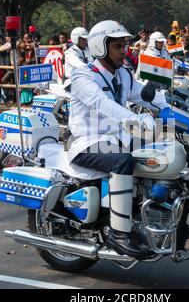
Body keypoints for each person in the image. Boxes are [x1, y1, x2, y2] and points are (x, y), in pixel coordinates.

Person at [69, 20, 169, 258]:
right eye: (117, 46)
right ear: (100, 47)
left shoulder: (123, 74)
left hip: (118, 139)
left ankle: (146, 216)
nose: (124, 51)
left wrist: (176, 106)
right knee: (122, 160)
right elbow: (102, 104)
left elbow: (146, 96)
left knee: (161, 151)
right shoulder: (84, 76)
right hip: (87, 141)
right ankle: (119, 233)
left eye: (124, 45)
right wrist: (134, 119)